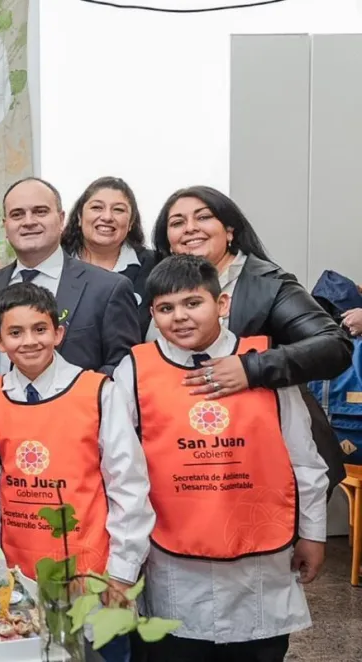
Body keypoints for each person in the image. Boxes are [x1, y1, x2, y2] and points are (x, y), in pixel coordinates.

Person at [115, 255, 328, 661]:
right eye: (165, 308)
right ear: (153, 314)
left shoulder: (262, 362)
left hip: (261, 564)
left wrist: (313, 532)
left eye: (193, 303)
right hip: (175, 563)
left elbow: (303, 456)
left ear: (222, 303)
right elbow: (123, 472)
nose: (180, 317)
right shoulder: (134, 370)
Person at [0, 283, 153, 662]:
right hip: (18, 573)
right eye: (15, 332)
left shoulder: (97, 392)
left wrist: (122, 572)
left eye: (40, 329)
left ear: (58, 333)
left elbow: (129, 486)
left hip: (90, 575)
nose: (29, 341)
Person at [148, 185, 351, 492]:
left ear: (229, 230)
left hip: (267, 451)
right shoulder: (162, 286)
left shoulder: (268, 283)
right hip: (191, 450)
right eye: (177, 222)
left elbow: (334, 346)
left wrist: (251, 368)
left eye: (203, 217)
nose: (190, 228)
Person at [0, 177, 139, 378]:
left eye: (40, 211)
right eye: (17, 214)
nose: (29, 221)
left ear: (61, 219)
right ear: (6, 225)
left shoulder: (108, 288)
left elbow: (125, 365)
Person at [60, 176, 155, 304]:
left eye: (118, 210)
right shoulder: (57, 261)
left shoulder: (154, 265)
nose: (107, 217)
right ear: (79, 216)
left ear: (131, 221)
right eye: (97, 208)